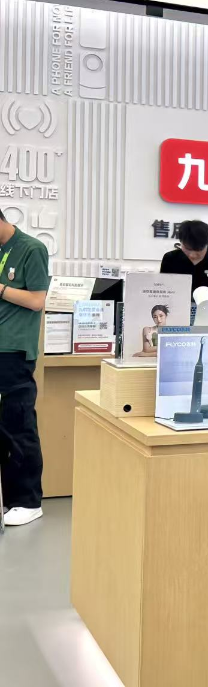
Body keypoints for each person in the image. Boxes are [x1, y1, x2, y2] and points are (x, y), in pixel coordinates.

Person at [0, 208, 50, 526]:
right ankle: (8, 498)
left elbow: (36, 300)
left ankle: (27, 501)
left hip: (14, 351)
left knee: (18, 425)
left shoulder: (32, 248)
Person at [160, 220, 208, 302]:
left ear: (207, 243)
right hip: (176, 306)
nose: (192, 255)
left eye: (198, 250)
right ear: (181, 242)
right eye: (188, 249)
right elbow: (163, 289)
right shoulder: (170, 258)